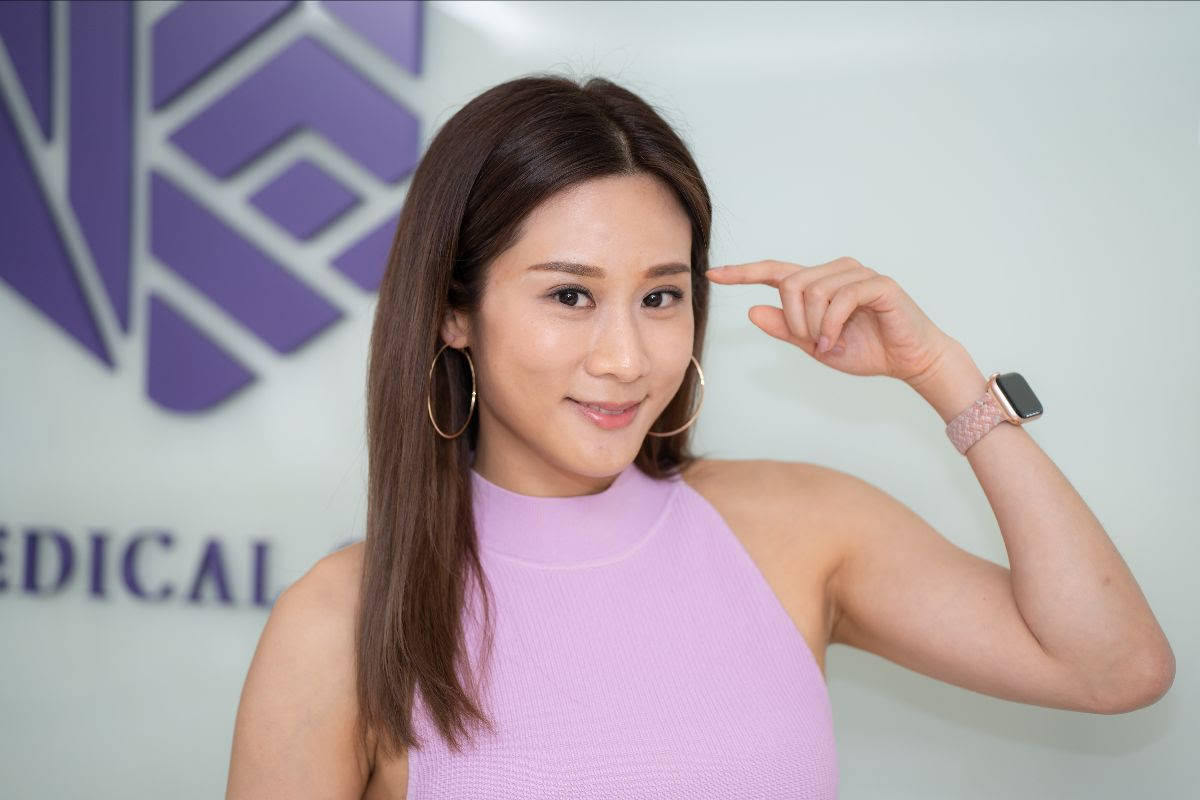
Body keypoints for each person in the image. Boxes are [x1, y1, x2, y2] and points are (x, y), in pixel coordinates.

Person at [225, 74, 1175, 799]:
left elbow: (1113, 667)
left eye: (660, 297)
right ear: (452, 311)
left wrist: (944, 374)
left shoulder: (797, 528)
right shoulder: (341, 620)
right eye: (570, 295)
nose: (626, 359)